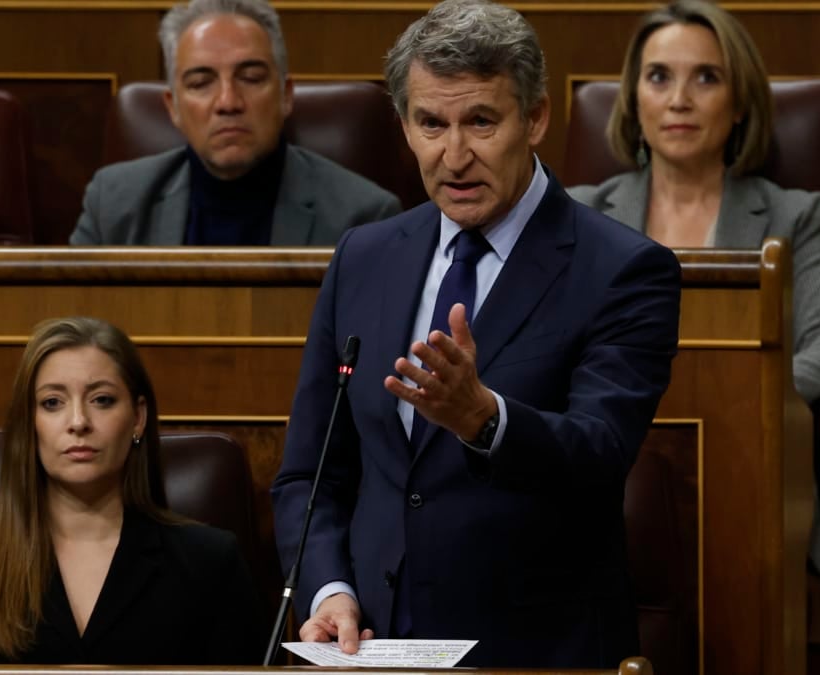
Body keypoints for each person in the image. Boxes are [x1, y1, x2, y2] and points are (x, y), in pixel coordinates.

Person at [270, 0, 681, 668]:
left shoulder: (623, 269)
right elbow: (309, 475)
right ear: (404, 125)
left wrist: (486, 420)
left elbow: (600, 454)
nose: (454, 155)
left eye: (481, 121)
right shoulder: (363, 257)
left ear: (536, 118)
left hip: (535, 653)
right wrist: (329, 589)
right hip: (372, 644)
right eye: (431, 122)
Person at [564, 0, 820, 662]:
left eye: (706, 77)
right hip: (599, 502)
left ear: (739, 104)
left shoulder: (789, 215)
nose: (679, 99)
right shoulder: (584, 214)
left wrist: (727, 399)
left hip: (747, 496)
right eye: (658, 77)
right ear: (632, 101)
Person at [0, 317, 262, 664]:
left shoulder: (211, 563)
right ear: (29, 423)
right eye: (52, 403)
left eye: (102, 400)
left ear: (138, 417)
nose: (78, 422)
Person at [70, 0, 401, 246]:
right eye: (201, 83)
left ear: (286, 96)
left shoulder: (363, 218)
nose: (228, 102)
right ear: (173, 108)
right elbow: (74, 327)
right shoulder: (113, 204)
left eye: (251, 77)